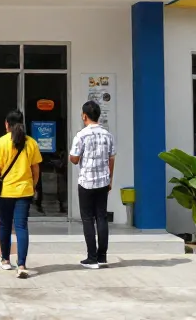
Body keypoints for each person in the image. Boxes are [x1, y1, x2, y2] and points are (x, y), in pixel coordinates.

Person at [0, 109, 42, 279]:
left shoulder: (2, 143)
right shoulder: (31, 143)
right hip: (24, 191)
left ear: (6, 124)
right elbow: (36, 169)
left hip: (6, 192)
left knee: (4, 225)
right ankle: (22, 264)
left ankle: (5, 260)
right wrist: (32, 186)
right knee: (21, 227)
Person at [70, 100, 116, 269]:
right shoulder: (107, 135)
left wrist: (80, 156)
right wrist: (110, 180)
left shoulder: (81, 135)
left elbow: (74, 159)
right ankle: (102, 257)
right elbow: (112, 159)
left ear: (84, 116)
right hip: (103, 181)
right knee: (101, 218)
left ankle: (92, 257)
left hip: (86, 182)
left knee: (88, 219)